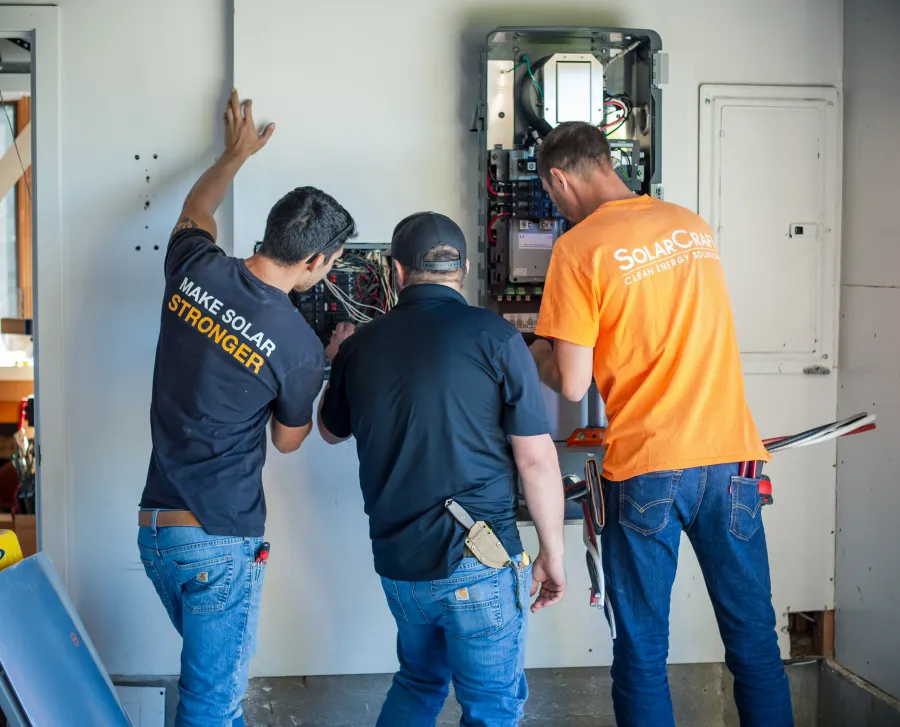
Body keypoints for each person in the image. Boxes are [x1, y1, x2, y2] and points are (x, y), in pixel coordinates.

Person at [529, 121, 793, 727]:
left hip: (649, 469)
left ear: (560, 178)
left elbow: (571, 383)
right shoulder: (690, 225)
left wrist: (534, 351)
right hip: (732, 460)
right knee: (755, 645)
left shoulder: (579, 248)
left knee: (643, 651)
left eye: (553, 194)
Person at [137, 89, 356, 727]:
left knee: (212, 696)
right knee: (213, 707)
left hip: (155, 529)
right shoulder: (297, 348)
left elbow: (194, 209)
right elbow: (289, 443)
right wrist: (330, 362)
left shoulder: (195, 268)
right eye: (333, 262)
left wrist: (233, 157)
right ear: (316, 261)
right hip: (217, 541)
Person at [317, 212, 567, 727]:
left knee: (418, 683)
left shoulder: (360, 346)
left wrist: (340, 356)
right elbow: (536, 458)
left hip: (400, 565)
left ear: (397, 272)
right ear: (466, 269)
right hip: (479, 558)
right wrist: (552, 553)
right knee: (492, 707)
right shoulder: (497, 338)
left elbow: (329, 430)